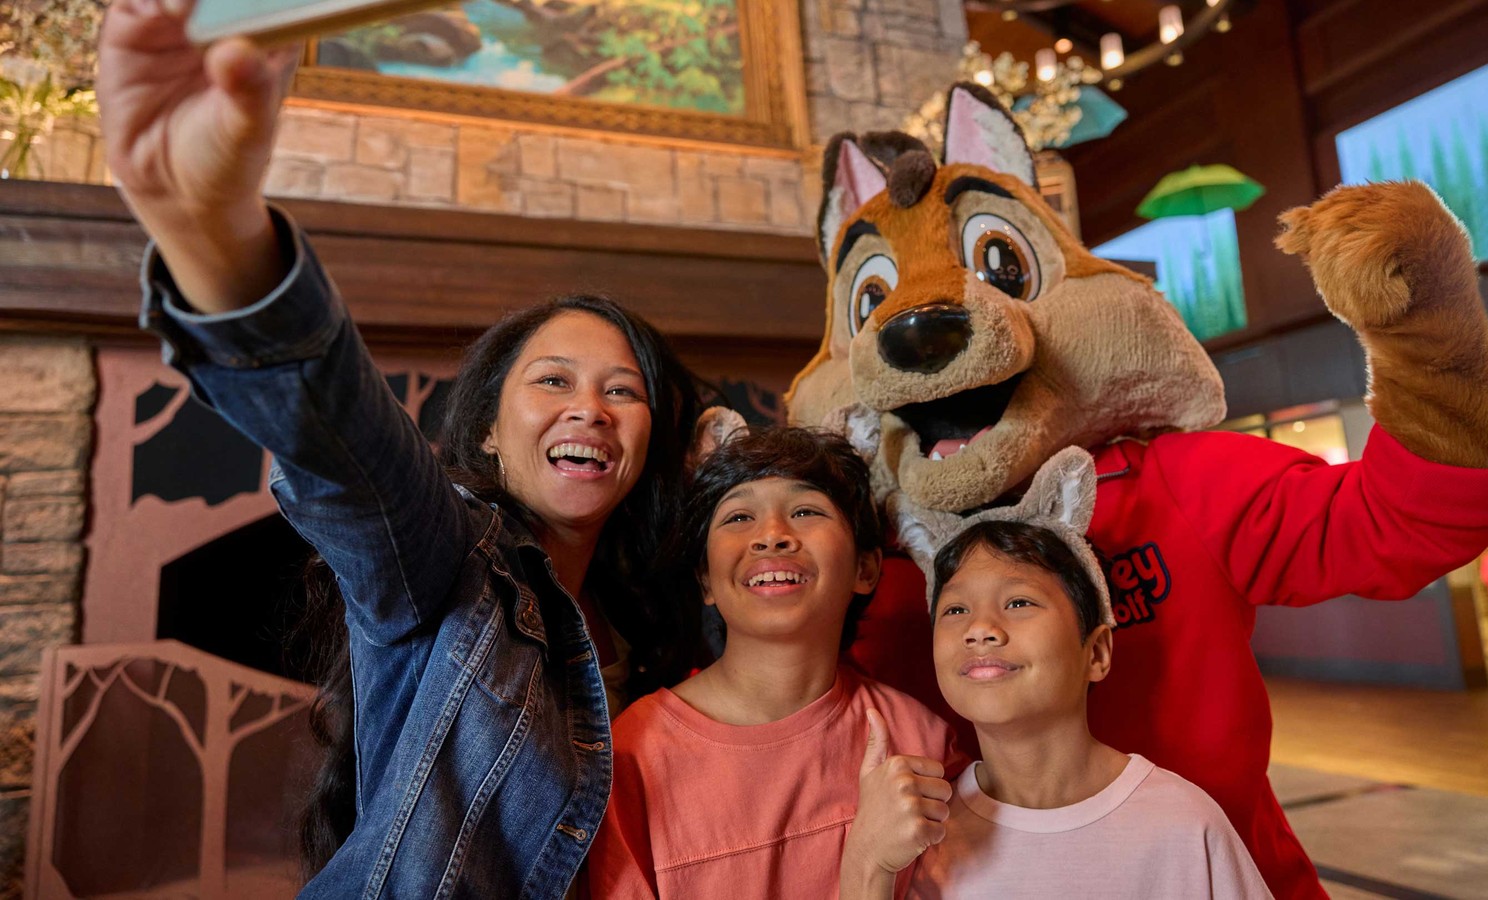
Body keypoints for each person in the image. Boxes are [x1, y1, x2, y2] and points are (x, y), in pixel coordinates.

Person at [97, 2, 703, 896]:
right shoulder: (449, 561)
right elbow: (350, 456)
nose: (592, 410)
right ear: (488, 430)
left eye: (623, 391)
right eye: (552, 382)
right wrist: (212, 231)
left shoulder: (663, 620)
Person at [589, 427, 963, 898]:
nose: (771, 536)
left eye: (805, 511)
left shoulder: (921, 743)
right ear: (705, 581)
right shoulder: (631, 756)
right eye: (739, 517)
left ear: (865, 570)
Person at [843, 521, 1270, 899]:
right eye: (955, 610)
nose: (979, 630)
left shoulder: (1185, 824)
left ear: (1097, 652)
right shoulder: (919, 830)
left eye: (1018, 603)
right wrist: (869, 862)